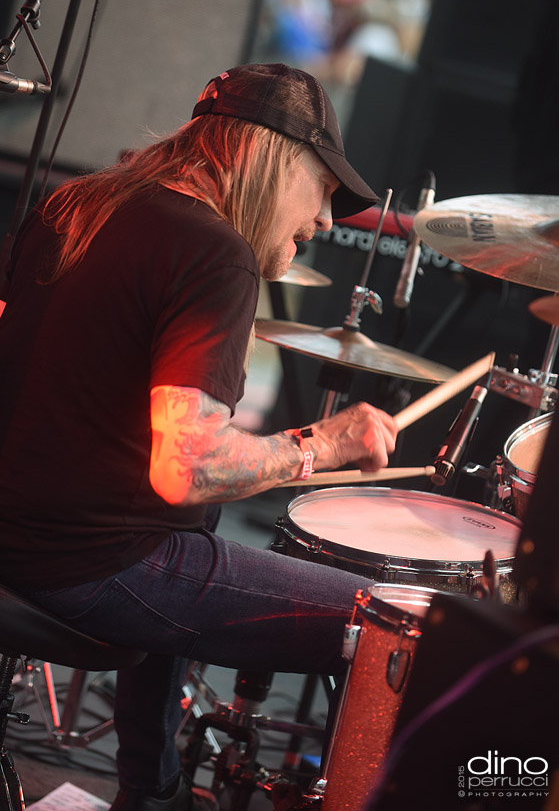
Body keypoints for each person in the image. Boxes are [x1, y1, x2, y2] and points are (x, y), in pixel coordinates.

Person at [0, 63, 397, 810]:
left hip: (15, 531)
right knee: (396, 628)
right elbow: (186, 468)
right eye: (321, 188)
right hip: (87, 565)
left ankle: (152, 790)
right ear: (272, 157)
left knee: (196, 522)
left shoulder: (75, 205)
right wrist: (322, 443)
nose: (325, 220)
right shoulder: (217, 252)